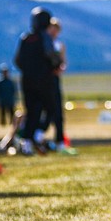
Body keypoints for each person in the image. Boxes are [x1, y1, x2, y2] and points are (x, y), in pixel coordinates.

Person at [14, 6, 62, 155]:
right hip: (45, 81)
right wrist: (55, 65)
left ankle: (27, 144)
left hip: (27, 81)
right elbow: (52, 57)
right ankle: (38, 135)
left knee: (32, 112)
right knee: (51, 109)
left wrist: (29, 71)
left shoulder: (25, 38)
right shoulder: (44, 37)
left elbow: (17, 60)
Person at [44, 17, 73, 152]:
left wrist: (60, 68)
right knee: (47, 110)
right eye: (52, 28)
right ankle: (38, 136)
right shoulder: (44, 43)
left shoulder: (59, 45)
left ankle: (59, 140)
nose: (54, 31)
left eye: (56, 29)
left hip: (54, 79)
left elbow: (63, 62)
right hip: (44, 80)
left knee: (57, 111)